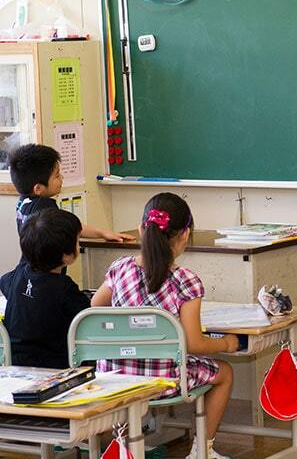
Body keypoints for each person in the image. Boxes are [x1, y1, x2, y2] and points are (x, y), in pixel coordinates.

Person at [91, 193, 238, 459]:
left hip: (113, 377)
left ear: (140, 230)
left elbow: (95, 308)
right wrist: (226, 343)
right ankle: (201, 450)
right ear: (185, 234)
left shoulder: (119, 270)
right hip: (164, 382)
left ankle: (124, 445)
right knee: (225, 372)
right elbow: (194, 343)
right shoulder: (186, 281)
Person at [1, 208, 89, 368]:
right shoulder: (64, 288)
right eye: (77, 241)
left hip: (13, 362)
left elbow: (4, 283)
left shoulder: (19, 274)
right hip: (55, 368)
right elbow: (86, 318)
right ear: (66, 255)